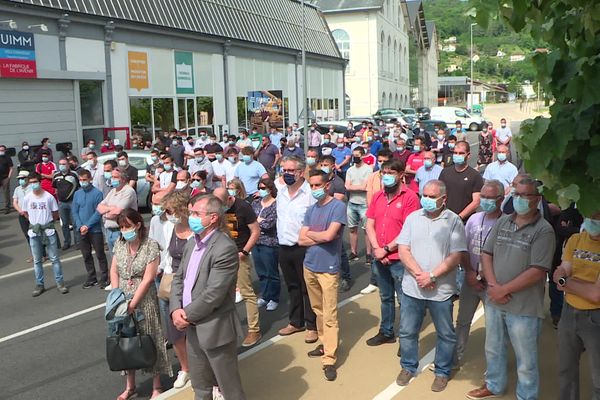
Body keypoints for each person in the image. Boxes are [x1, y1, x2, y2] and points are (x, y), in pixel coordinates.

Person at [466, 177, 555, 400]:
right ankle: (494, 385)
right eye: (516, 194)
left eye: (525, 195)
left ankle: (526, 396)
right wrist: (494, 286)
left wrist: (503, 290)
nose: (520, 200)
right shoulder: (503, 222)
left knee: (526, 360)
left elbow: (538, 270)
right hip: (495, 300)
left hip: (523, 307)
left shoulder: (544, 230)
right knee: (493, 348)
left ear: (537, 199)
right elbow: (487, 254)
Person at [170, 194, 247, 400]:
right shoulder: (191, 244)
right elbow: (179, 279)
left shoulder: (224, 248)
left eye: (196, 214)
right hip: (192, 328)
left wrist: (185, 315)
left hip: (215, 328)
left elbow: (214, 294)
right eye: (191, 213)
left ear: (213, 218)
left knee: (228, 387)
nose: (191, 218)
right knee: (200, 385)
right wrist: (175, 309)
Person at [396, 180, 466, 392]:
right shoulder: (412, 218)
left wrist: (432, 276)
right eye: (423, 195)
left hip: (441, 291)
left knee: (445, 333)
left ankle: (442, 371)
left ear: (443, 199)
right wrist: (420, 275)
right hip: (412, 288)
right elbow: (403, 249)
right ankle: (408, 366)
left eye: (431, 196)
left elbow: (456, 256)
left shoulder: (453, 221)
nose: (425, 199)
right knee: (407, 331)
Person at [109, 208, 172, 400]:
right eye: (121, 227)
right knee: (126, 339)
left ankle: (156, 385)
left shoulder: (150, 245)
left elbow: (148, 278)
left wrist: (133, 304)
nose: (124, 230)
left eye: (127, 226)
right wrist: (116, 295)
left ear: (137, 225)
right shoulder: (119, 244)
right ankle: (130, 385)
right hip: (122, 297)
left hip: (143, 299)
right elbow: (114, 270)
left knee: (149, 337)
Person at [298, 170, 346, 381]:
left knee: (330, 313)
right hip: (309, 265)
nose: (315, 189)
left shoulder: (338, 207)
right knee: (318, 310)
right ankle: (325, 342)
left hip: (328, 268)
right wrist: (321, 237)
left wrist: (313, 235)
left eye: (318, 185)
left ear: (327, 185)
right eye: (312, 185)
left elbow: (330, 235)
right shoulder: (310, 210)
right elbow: (301, 240)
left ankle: (329, 357)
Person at [365, 160, 419, 346]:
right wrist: (377, 249)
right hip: (379, 257)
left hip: (399, 259)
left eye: (391, 172)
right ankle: (386, 331)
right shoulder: (378, 196)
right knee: (385, 297)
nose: (386, 176)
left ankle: (406, 337)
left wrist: (387, 249)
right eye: (384, 172)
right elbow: (370, 224)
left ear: (401, 174)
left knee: (404, 299)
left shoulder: (410, 197)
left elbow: (408, 230)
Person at [454, 180, 504, 367]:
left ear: (500, 199)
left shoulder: (506, 223)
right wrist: (468, 272)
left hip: (492, 284)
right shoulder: (474, 219)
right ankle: (454, 359)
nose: (485, 201)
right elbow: (463, 248)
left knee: (494, 328)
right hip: (470, 279)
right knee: (462, 321)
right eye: (483, 197)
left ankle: (494, 368)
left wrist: (487, 277)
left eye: (490, 198)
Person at [552, 211, 600, 400]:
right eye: (591, 217)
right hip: (569, 312)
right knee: (566, 371)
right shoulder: (575, 239)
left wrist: (566, 283)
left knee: (598, 377)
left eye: (597, 219)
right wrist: (568, 281)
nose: (593, 222)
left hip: (595, 317)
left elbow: (596, 295)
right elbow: (561, 272)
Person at [276, 156, 318, 342]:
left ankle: (312, 325)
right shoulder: (282, 192)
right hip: (284, 247)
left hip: (303, 247)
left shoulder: (309, 193)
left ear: (301, 172)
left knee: (307, 288)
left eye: (291, 170)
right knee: (292, 286)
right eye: (284, 170)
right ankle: (296, 322)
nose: (287, 173)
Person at [214, 187, 262, 347]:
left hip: (239, 255)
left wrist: (245, 251)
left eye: (221, 204)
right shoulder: (216, 208)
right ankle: (228, 329)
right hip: (222, 256)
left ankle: (254, 329)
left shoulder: (243, 207)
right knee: (222, 294)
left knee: (247, 292)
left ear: (229, 199)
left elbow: (255, 231)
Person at [155, 191, 193, 390]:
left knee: (194, 329)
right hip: (174, 284)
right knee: (175, 331)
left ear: (182, 209)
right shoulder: (170, 227)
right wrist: (164, 271)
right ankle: (185, 368)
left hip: (194, 284)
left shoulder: (196, 229)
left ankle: (203, 368)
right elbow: (168, 256)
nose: (168, 214)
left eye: (170, 210)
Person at [23, 172, 69, 297]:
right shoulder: (27, 198)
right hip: (34, 232)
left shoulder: (48, 197)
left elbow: (55, 213)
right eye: (31, 182)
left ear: (40, 182)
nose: (33, 184)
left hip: (48, 231)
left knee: (54, 259)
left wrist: (46, 222)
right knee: (37, 260)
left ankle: (60, 283)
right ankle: (39, 284)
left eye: (35, 182)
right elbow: (26, 213)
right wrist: (35, 224)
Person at [317, 155, 352, 292]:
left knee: (339, 249)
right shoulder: (319, 180)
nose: (323, 167)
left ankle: (345, 277)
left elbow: (337, 202)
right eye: (321, 164)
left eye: (326, 164)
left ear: (333, 166)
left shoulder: (337, 182)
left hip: (334, 219)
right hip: (319, 219)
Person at [72, 169, 108, 289]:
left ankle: (104, 277)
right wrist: (80, 225)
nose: (82, 182)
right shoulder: (77, 194)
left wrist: (87, 225)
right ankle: (91, 277)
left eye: (84, 180)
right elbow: (75, 211)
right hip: (81, 229)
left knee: (100, 254)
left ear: (90, 179)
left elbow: (98, 212)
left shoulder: (97, 193)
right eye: (81, 180)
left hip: (95, 230)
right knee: (86, 255)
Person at [548, 203, 583, 328]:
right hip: (561, 253)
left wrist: (572, 230)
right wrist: (580, 230)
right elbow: (560, 229)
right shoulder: (570, 208)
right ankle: (557, 314)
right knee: (555, 280)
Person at [251, 178, 280, 311]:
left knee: (271, 271)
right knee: (261, 271)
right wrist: (259, 221)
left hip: (269, 242)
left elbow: (269, 224)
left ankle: (274, 297)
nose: (262, 190)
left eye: (264, 188)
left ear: (270, 189)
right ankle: (265, 295)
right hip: (256, 241)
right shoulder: (256, 203)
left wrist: (258, 222)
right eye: (260, 188)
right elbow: (250, 221)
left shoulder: (276, 204)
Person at [439, 141, 483, 222]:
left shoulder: (475, 176)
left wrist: (459, 217)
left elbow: (476, 201)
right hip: (445, 218)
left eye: (461, 153)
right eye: (455, 153)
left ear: (468, 155)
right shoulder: (445, 172)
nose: (457, 155)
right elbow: (439, 195)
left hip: (465, 220)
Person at [97, 168, 138, 254]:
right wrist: (110, 208)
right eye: (112, 177)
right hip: (109, 231)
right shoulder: (112, 191)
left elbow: (116, 212)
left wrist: (106, 211)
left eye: (115, 177)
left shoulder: (128, 191)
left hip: (121, 231)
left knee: (124, 259)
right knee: (114, 260)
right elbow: (99, 208)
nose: (112, 179)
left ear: (123, 179)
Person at [53, 158, 80, 250]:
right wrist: (58, 200)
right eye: (60, 164)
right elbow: (55, 188)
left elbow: (79, 187)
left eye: (64, 164)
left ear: (68, 165)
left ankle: (78, 242)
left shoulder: (74, 174)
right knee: (64, 224)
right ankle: (67, 242)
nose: (62, 166)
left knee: (75, 223)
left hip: (72, 202)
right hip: (62, 203)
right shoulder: (56, 175)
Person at [13, 170, 34, 262]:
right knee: (27, 235)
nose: (20, 180)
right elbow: (15, 202)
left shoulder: (32, 187)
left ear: (27, 179)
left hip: (32, 214)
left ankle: (43, 254)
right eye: (19, 179)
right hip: (22, 215)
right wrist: (20, 211)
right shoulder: (17, 189)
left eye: (22, 178)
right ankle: (34, 254)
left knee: (36, 233)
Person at [0, 144, 14, 213]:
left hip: (5, 177)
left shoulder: (7, 157)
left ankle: (7, 208)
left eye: (2, 150)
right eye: (0, 150)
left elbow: (11, 168)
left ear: (5, 150)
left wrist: (9, 177)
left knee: (6, 193)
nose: (1, 151)